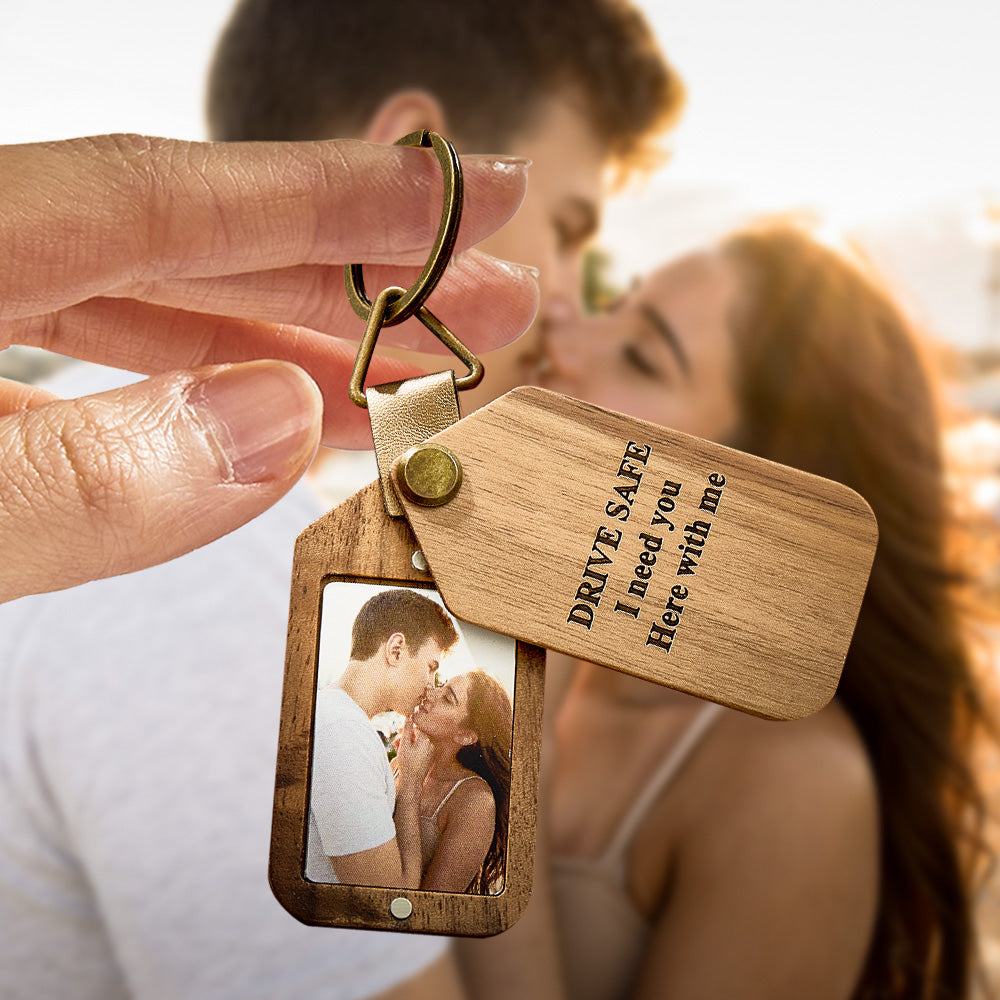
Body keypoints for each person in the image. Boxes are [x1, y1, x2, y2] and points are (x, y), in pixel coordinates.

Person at [0, 2, 682, 998]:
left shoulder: (102, 423)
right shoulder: (226, 578)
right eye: (570, 228)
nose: (573, 303)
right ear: (419, 178)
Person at [460, 221, 996, 1000]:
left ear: (745, 493)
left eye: (643, 354)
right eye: (618, 304)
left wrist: (517, 750)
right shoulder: (507, 631)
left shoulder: (793, 785)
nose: (566, 338)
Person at [308, 589, 458, 888]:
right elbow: (391, 896)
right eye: (431, 668)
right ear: (396, 650)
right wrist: (411, 783)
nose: (430, 686)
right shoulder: (345, 735)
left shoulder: (333, 716)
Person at [409, 669, 513, 894]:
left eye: (447, 698)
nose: (431, 692)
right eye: (441, 685)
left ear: (465, 735)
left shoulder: (475, 801)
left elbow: (435, 906)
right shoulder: (403, 764)